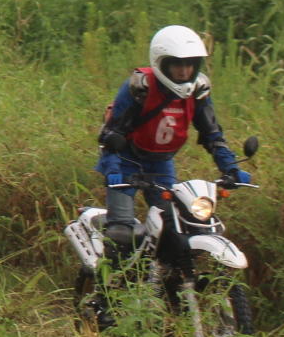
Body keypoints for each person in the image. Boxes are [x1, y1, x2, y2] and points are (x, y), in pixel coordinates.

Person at [95, 25, 248, 272]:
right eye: (177, 64)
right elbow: (112, 133)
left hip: (161, 162)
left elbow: (211, 134)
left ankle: (162, 282)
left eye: (190, 64)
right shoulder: (140, 86)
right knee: (122, 231)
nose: (184, 70)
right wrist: (113, 169)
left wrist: (230, 167)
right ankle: (107, 296)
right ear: (161, 63)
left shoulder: (198, 90)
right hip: (126, 159)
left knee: (175, 226)